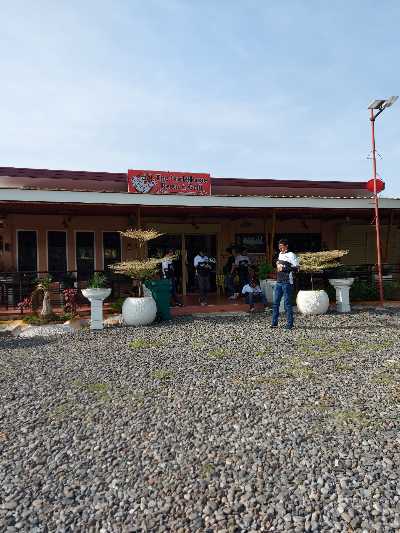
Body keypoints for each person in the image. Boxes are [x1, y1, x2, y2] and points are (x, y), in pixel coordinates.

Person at [271, 239, 299, 330]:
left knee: (287, 304)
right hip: (279, 282)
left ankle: (290, 324)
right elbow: (280, 265)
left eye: (282, 246)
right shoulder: (280, 254)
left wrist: (284, 268)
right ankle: (274, 323)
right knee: (275, 303)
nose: (280, 248)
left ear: (286, 246)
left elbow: (297, 269)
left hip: (287, 282)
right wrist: (277, 264)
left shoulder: (291, 255)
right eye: (279, 246)